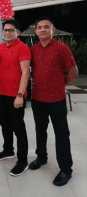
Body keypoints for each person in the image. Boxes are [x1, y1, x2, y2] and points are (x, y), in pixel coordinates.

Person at [29, 17, 78, 186]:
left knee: (62, 134)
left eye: (46, 27)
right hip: (37, 98)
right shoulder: (32, 49)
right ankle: (41, 157)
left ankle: (66, 169)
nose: (43, 30)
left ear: (53, 29)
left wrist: (63, 82)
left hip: (57, 99)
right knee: (40, 130)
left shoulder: (61, 48)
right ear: (35, 31)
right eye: (39, 27)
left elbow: (73, 70)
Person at [0, 20, 31, 177]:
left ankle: (22, 161)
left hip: (15, 96)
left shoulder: (23, 48)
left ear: (18, 32)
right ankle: (8, 150)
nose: (7, 33)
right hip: (1, 93)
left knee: (18, 128)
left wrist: (20, 95)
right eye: (5, 30)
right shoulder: (1, 47)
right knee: (4, 124)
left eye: (10, 30)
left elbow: (25, 73)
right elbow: (1, 68)